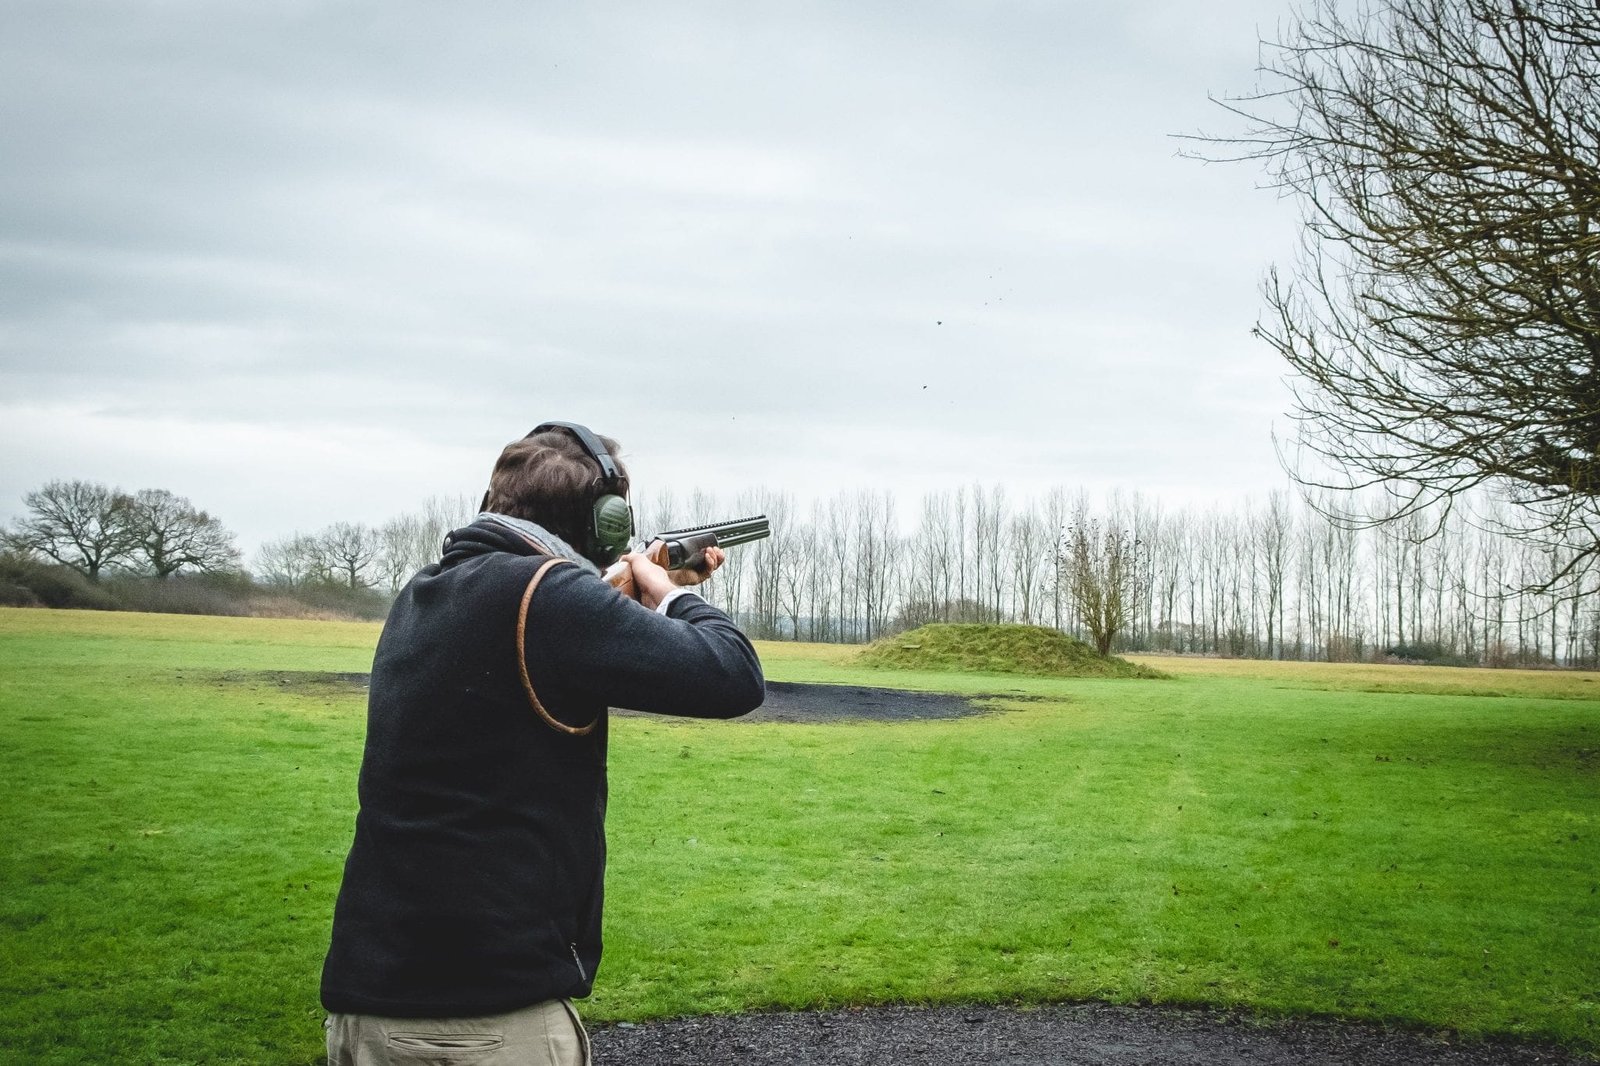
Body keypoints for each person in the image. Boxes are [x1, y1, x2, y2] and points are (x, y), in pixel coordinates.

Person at [320, 422, 765, 1065]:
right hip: (484, 1022)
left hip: (373, 1002)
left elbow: (540, 652)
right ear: (609, 521)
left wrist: (612, 595)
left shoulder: (427, 591)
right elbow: (732, 675)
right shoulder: (548, 595)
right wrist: (667, 594)